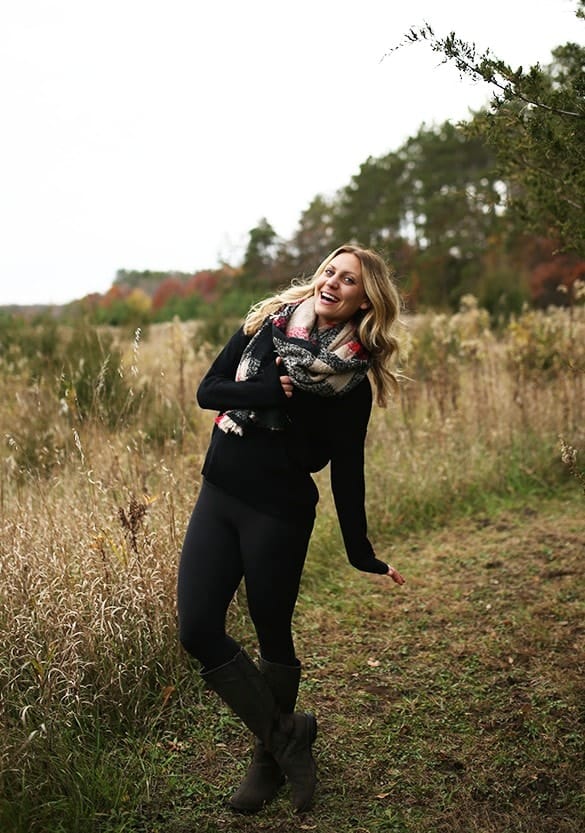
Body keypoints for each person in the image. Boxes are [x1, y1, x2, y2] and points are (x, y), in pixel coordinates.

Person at [177, 244, 405, 814]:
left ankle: (265, 761)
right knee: (197, 628)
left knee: (271, 632)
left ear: (364, 299)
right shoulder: (266, 325)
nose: (332, 282)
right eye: (330, 270)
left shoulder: (351, 379)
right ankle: (287, 736)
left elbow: (347, 468)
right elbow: (209, 390)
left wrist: (361, 550)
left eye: (348, 280)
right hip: (220, 491)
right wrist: (262, 392)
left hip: (278, 510)